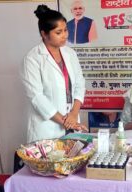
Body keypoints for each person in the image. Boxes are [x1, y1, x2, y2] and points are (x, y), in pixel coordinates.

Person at [21, 5, 87, 143]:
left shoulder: (70, 53)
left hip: (71, 122)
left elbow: (80, 84)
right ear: (44, 34)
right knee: (51, 162)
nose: (65, 35)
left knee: (73, 161)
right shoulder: (33, 58)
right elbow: (37, 98)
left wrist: (74, 114)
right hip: (48, 128)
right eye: (58, 32)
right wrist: (66, 121)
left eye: (65, 30)